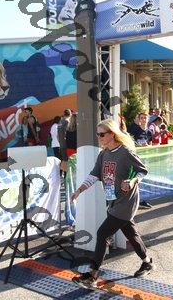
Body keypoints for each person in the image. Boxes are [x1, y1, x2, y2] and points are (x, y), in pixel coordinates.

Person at [70, 119, 154, 287]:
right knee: (131, 233)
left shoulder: (125, 152)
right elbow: (94, 175)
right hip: (113, 201)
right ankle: (147, 262)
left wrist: (132, 181)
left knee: (102, 234)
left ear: (112, 134)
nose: (99, 137)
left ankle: (92, 275)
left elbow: (142, 171)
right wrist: (79, 190)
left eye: (102, 134)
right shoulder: (103, 154)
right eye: (98, 134)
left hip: (127, 201)